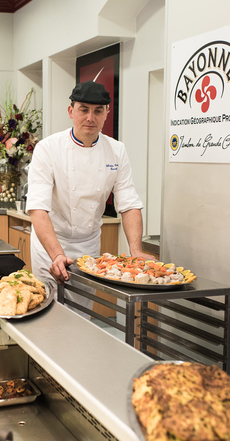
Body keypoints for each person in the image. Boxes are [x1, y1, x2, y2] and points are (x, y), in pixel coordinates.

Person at [26, 81, 152, 294]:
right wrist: (57, 255)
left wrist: (136, 250)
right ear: (71, 111)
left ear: (106, 113)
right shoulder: (48, 148)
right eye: (83, 110)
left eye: (98, 111)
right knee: (48, 309)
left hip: (89, 246)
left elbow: (129, 204)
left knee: (83, 312)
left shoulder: (116, 150)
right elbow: (38, 208)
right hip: (50, 244)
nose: (90, 118)